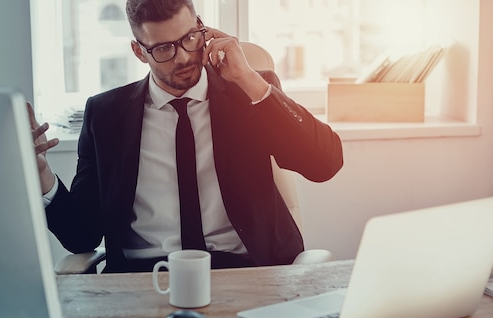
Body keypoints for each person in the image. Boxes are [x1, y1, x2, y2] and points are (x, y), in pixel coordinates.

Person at [29, 0, 343, 273]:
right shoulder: (106, 115)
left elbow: (324, 163)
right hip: (145, 276)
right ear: (139, 52)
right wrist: (42, 175)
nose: (182, 57)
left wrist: (249, 80)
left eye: (189, 38)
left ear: (202, 29)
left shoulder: (248, 93)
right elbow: (81, 237)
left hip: (244, 269)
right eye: (164, 48)